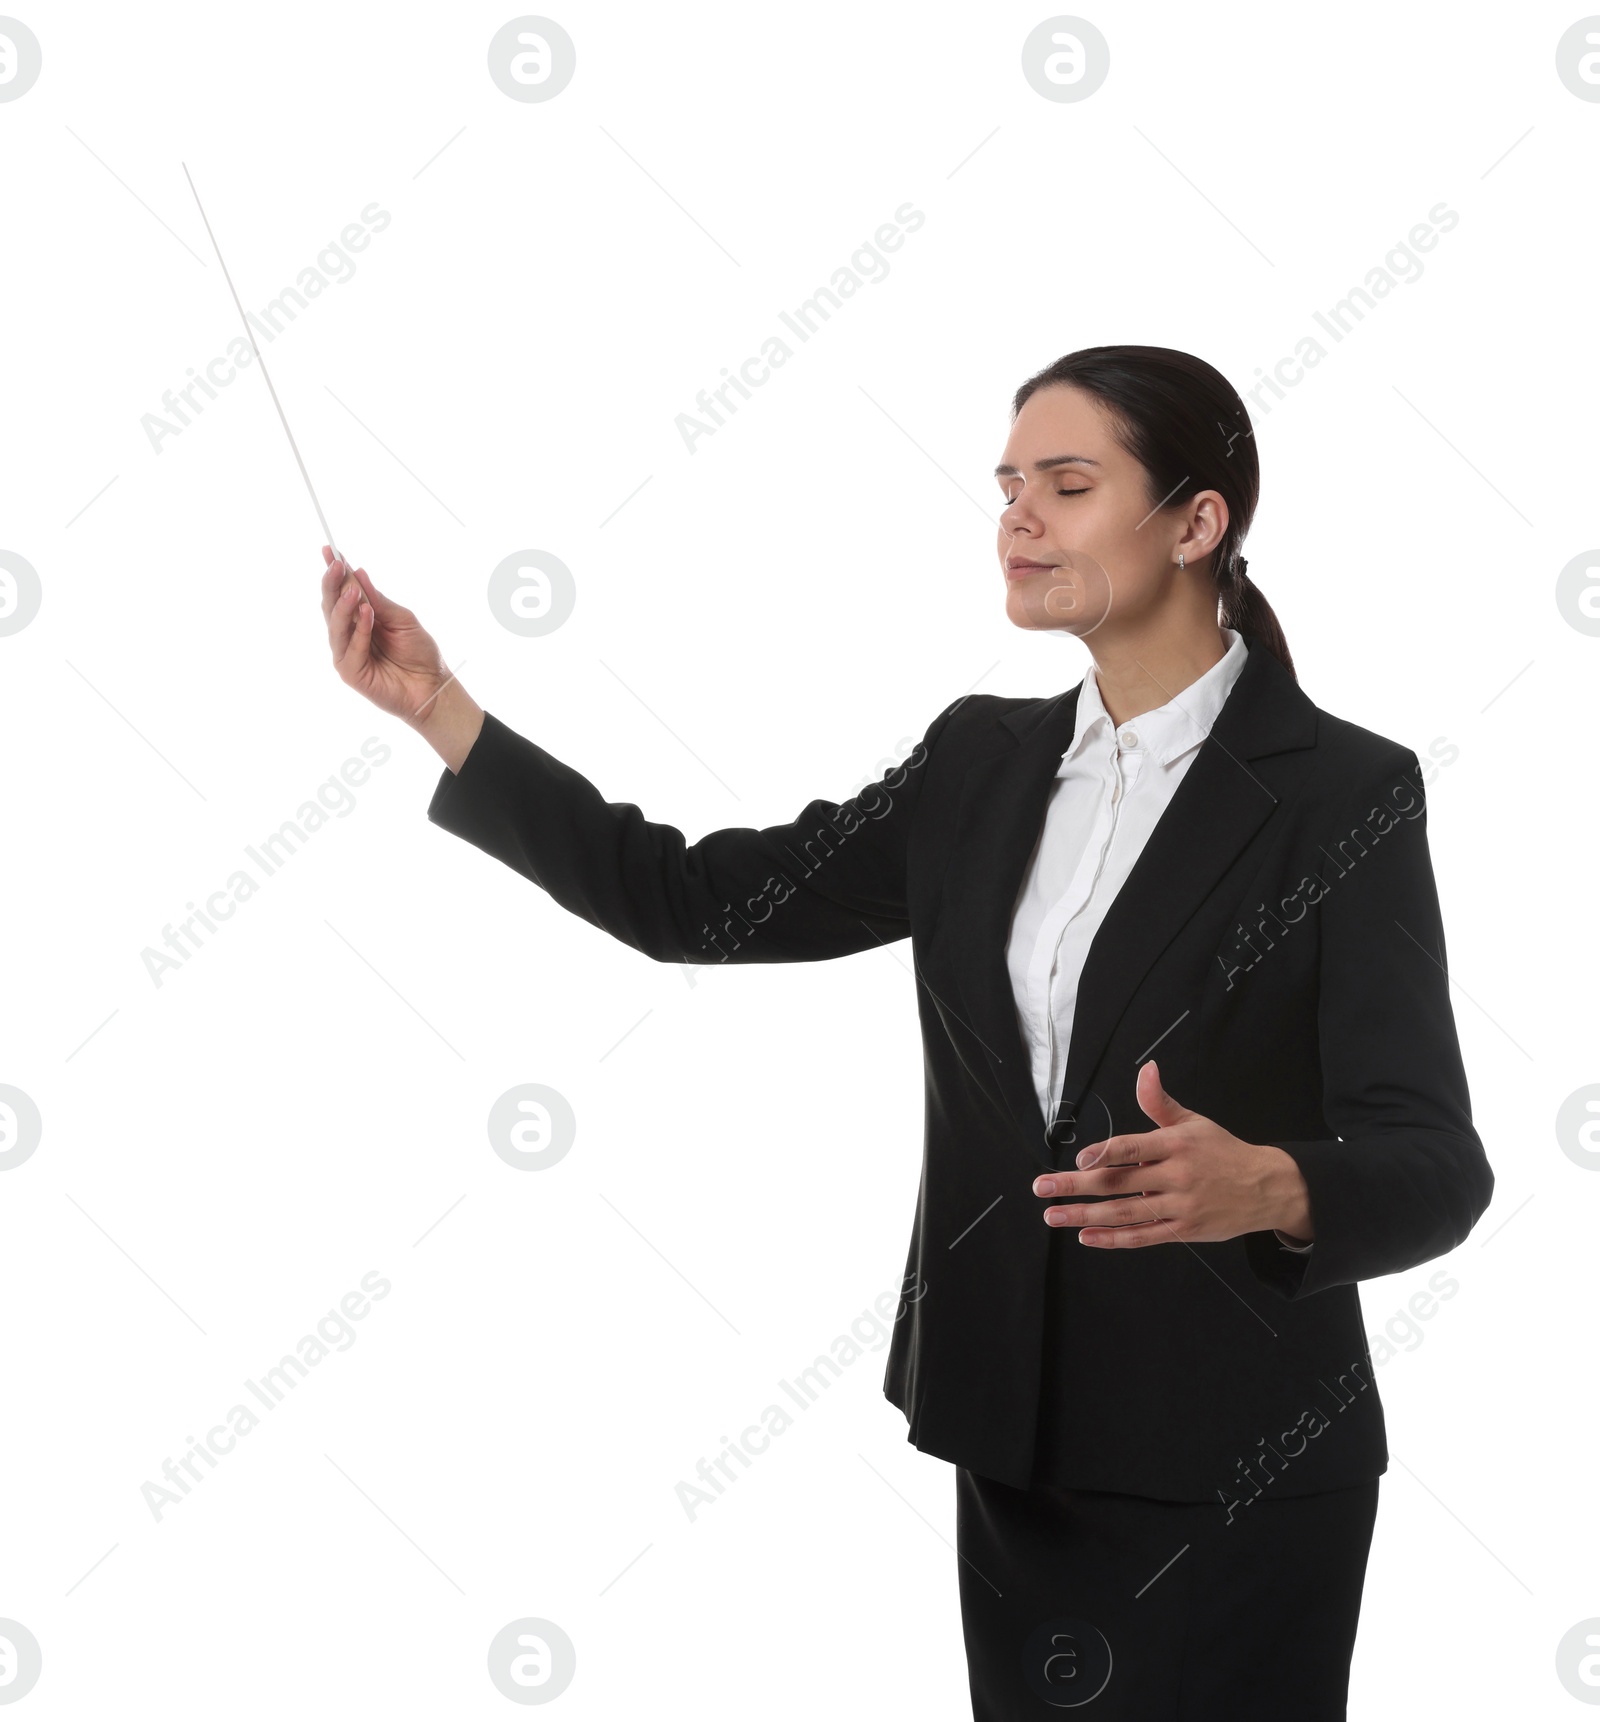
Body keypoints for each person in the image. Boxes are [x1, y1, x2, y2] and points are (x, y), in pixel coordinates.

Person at [319, 344, 1493, 1719]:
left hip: (1234, 1460)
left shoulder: (1339, 787)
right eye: (1007, 487)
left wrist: (1275, 1183)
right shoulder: (978, 763)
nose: (1018, 518)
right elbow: (694, 899)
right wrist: (441, 711)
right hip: (1017, 1441)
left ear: (1197, 520)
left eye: (1067, 483)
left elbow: (1437, 1156)